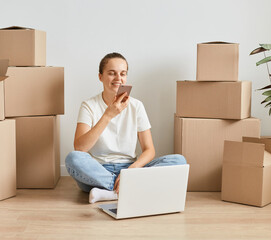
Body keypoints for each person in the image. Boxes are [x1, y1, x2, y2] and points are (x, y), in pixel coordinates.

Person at [65, 52, 186, 204]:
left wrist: (131, 171)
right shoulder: (89, 105)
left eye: (122, 74)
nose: (118, 79)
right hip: (98, 171)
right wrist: (108, 115)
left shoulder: (136, 106)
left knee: (179, 160)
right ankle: (126, 188)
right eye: (111, 73)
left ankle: (111, 192)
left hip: (130, 168)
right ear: (100, 77)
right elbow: (80, 147)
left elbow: (149, 150)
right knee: (73, 159)